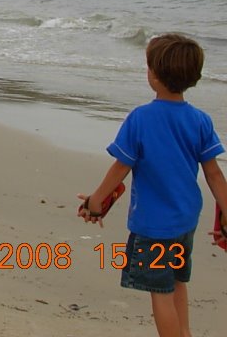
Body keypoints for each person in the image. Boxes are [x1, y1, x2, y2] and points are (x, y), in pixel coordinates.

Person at [77, 33, 227, 337]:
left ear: (155, 76)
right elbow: (214, 174)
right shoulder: (200, 120)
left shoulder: (141, 119)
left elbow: (121, 168)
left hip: (154, 226)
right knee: (177, 282)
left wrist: (95, 203)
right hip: (186, 220)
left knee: (160, 293)